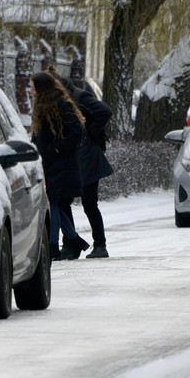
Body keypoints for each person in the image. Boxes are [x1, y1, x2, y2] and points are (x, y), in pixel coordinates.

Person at [50, 70, 114, 259]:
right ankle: (71, 244)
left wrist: (89, 133)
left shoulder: (78, 96)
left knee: (89, 204)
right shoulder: (59, 100)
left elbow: (105, 111)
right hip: (73, 160)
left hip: (87, 160)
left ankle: (100, 245)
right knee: (63, 202)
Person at [29, 71, 86, 260]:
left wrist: (55, 150)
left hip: (62, 165)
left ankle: (54, 245)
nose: (31, 90)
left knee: (53, 203)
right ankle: (74, 240)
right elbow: (40, 137)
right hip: (51, 164)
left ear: (41, 88)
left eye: (33, 86)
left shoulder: (62, 106)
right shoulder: (42, 107)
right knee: (55, 204)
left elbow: (77, 133)